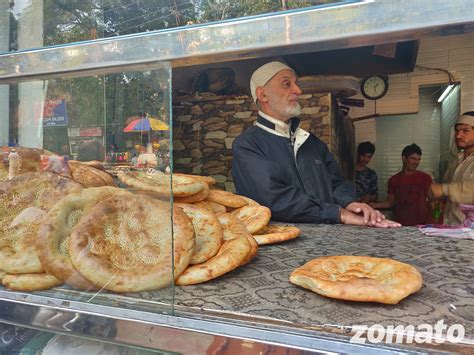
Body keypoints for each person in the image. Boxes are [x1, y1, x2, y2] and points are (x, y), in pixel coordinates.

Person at [232, 61, 399, 228]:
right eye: (286, 84)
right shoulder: (247, 145)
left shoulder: (310, 141)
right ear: (263, 95)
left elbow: (336, 182)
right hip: (282, 246)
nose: (298, 90)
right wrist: (338, 213)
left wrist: (350, 204)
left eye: (296, 83)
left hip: (326, 239)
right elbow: (274, 199)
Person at [429, 111, 474, 225]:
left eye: (465, 130)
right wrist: (440, 199)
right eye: (457, 131)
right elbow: (446, 188)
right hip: (450, 226)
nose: (458, 135)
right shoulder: (455, 160)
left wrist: (443, 189)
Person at [370, 144, 432, 226]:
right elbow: (390, 202)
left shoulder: (425, 178)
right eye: (413, 158)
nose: (416, 162)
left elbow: (433, 200)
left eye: (418, 159)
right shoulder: (393, 180)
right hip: (400, 224)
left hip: (422, 225)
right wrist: (374, 205)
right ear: (404, 158)